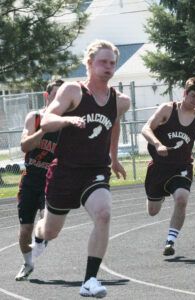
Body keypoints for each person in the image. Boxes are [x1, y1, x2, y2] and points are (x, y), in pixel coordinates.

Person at [33, 40, 130, 298]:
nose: (108, 67)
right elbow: (47, 119)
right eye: (102, 61)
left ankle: (89, 280)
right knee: (51, 230)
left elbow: (114, 125)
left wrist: (114, 156)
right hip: (65, 170)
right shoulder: (73, 91)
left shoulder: (120, 101)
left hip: (95, 170)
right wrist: (66, 119)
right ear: (89, 63)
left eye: (112, 63)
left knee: (104, 213)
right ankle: (39, 233)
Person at [142, 77, 195, 256]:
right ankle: (160, 195)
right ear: (184, 93)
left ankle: (170, 241)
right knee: (152, 211)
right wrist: (158, 144)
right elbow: (146, 129)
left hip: (182, 167)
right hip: (159, 167)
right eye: (193, 96)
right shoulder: (167, 109)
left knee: (181, 199)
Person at [15, 79, 64, 281]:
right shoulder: (35, 118)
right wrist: (43, 128)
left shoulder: (66, 124)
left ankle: (40, 240)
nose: (59, 99)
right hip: (29, 179)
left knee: (46, 218)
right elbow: (25, 146)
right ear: (47, 96)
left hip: (51, 180)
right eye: (55, 95)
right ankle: (28, 263)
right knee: (25, 229)